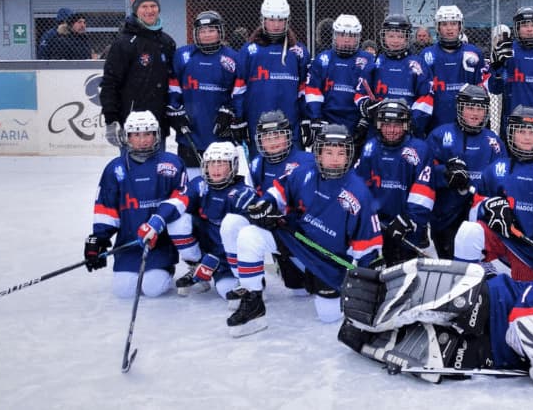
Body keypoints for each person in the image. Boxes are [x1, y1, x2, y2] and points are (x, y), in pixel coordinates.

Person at [338, 236, 533, 388]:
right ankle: (377, 296)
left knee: (431, 353)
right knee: (446, 295)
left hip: (494, 353)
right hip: (491, 303)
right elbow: (521, 323)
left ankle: (363, 335)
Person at [222, 123, 382, 334]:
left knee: (328, 316)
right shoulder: (303, 172)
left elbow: (368, 249)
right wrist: (266, 204)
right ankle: (253, 301)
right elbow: (278, 192)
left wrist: (364, 286)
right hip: (297, 241)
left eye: (341, 153)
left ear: (349, 155)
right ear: (318, 153)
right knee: (248, 234)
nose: (335, 159)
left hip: (329, 260)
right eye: (328, 152)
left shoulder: (358, 194)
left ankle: (316, 281)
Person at [453, 105, 533, 282]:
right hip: (507, 248)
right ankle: (463, 290)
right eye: (521, 131)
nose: (527, 138)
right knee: (468, 231)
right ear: (511, 133)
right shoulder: (497, 169)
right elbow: (475, 212)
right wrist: (488, 207)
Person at [83, 110, 188, 298]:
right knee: (124, 291)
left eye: (147, 134)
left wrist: (157, 225)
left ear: (156, 135)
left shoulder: (171, 164)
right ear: (127, 137)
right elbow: (106, 208)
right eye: (136, 135)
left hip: (160, 244)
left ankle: (165, 268)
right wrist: (97, 239)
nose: (142, 140)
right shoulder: (115, 168)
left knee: (153, 288)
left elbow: (180, 199)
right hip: (129, 244)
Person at [156, 142, 253, 298]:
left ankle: (246, 280)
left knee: (226, 292)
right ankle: (197, 266)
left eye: (221, 163)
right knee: (178, 220)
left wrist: (216, 259)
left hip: (232, 257)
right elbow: (177, 202)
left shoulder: (244, 193)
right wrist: (156, 221)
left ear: (233, 166)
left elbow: (246, 240)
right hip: (210, 251)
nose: (215, 169)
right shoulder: (200, 184)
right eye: (211, 163)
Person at [352, 100, 436, 265]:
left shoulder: (419, 149)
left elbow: (424, 191)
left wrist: (410, 219)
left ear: (406, 125)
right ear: (378, 125)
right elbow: (358, 185)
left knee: (403, 275)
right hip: (377, 225)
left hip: (406, 225)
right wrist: (366, 217)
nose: (391, 130)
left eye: (397, 125)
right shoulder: (370, 147)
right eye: (386, 124)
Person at [425, 84, 504, 258]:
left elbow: (502, 181)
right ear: (460, 108)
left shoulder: (494, 142)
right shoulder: (440, 135)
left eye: (480, 108)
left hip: (480, 219)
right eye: (470, 107)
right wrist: (446, 174)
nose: (475, 113)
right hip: (445, 217)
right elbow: (424, 174)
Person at [227, 0, 310, 154]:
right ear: (263, 20)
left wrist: (307, 117)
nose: (276, 25)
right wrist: (239, 118)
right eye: (271, 20)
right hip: (257, 125)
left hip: (291, 127)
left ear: (287, 21)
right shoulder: (250, 51)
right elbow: (239, 89)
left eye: (281, 20)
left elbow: (304, 91)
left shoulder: (298, 52)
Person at [167, 11, 241, 177]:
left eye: (211, 30)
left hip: (219, 133)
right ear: (195, 33)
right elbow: (173, 88)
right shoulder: (183, 56)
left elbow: (239, 93)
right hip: (190, 133)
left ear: (220, 32)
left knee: (221, 182)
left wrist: (230, 112)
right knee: (192, 183)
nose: (207, 35)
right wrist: (175, 111)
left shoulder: (232, 58)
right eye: (202, 31)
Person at [100, 0, 177, 142]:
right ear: (136, 10)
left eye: (153, 6)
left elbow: (173, 81)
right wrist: (111, 119)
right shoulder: (124, 43)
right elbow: (110, 83)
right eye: (144, 6)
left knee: (156, 166)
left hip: (158, 123)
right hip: (131, 123)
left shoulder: (167, 42)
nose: (149, 10)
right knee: (131, 166)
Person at [357, 13, 434, 138]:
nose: (395, 40)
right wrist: (365, 105)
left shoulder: (417, 64)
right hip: (379, 129)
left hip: (408, 130)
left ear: (407, 38)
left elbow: (426, 98)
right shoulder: (375, 63)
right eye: (391, 36)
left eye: (400, 36)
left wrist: (412, 123)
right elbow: (360, 91)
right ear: (384, 37)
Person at [418, 5, 489, 134]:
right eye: (444, 24)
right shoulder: (427, 55)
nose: (449, 28)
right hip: (436, 121)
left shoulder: (473, 53)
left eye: (453, 23)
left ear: (460, 26)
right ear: (438, 27)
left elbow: (482, 91)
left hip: (468, 123)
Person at [488, 6, 533, 127]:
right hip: (513, 121)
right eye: (524, 25)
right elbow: (494, 89)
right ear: (517, 28)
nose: (529, 29)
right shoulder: (507, 50)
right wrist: (497, 67)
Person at [304, 14, 375, 138]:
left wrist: (365, 120)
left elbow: (368, 92)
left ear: (358, 37)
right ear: (335, 36)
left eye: (351, 35)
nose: (346, 40)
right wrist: (316, 118)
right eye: (342, 34)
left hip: (355, 120)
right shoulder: (323, 59)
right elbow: (313, 90)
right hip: (327, 120)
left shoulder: (366, 60)